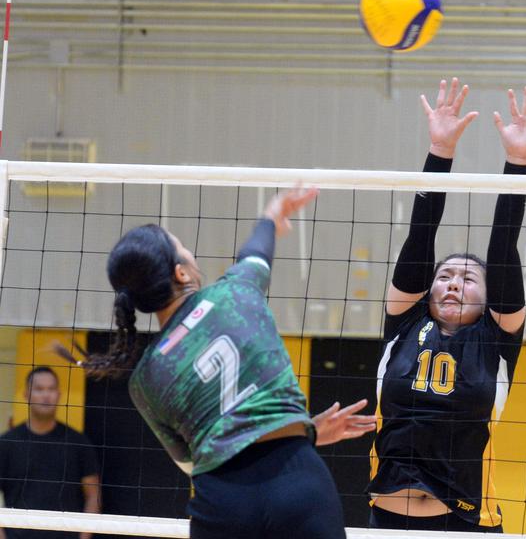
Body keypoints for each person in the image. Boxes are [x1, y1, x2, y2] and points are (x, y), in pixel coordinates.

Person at [78, 187, 376, 539]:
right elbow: (255, 252)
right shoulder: (235, 291)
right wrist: (272, 214)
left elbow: (192, 463)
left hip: (221, 501)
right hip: (295, 476)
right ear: (181, 273)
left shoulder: (144, 379)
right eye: (183, 247)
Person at [367, 78, 526, 532]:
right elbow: (421, 235)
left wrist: (518, 161)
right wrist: (440, 151)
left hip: (467, 522)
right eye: (444, 275)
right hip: (384, 521)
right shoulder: (404, 324)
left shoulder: (496, 339)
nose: (452, 283)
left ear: (490, 298)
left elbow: (503, 246)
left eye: (468, 278)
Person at [0, 367, 101, 539]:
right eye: (39, 389)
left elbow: (93, 495)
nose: (46, 395)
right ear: (26, 395)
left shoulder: (78, 443)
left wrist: (84, 536)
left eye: (51, 389)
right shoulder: (6, 443)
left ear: (59, 394)